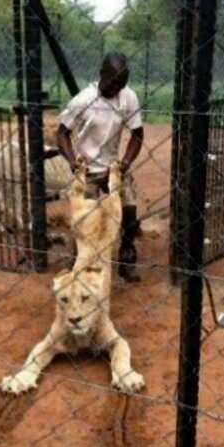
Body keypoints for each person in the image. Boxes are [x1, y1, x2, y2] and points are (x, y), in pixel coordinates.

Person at [57, 52, 144, 282]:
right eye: (113, 82)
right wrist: (72, 160)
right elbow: (62, 133)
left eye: (121, 84)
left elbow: (137, 134)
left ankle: (126, 259)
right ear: (102, 74)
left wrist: (125, 163)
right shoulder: (83, 100)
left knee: (130, 213)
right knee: (85, 220)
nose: (117, 88)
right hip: (88, 170)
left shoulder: (128, 97)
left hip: (115, 168)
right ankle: (78, 263)